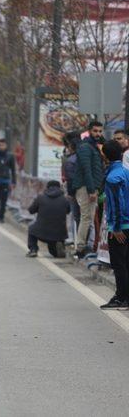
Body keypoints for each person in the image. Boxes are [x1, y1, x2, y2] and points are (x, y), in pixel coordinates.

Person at [100, 140, 129, 309]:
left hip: (120, 226)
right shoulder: (126, 172)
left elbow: (118, 204)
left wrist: (117, 227)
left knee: (119, 264)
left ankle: (121, 297)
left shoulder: (112, 177)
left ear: (104, 156)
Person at [72, 121, 104, 258]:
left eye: (100, 131)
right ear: (90, 131)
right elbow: (87, 170)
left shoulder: (93, 146)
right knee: (86, 217)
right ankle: (80, 248)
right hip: (86, 187)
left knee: (88, 218)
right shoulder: (86, 147)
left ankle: (82, 246)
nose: (98, 134)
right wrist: (91, 190)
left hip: (91, 186)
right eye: (95, 131)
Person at [25, 181, 71, 258]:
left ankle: (33, 249)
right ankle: (58, 249)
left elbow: (31, 210)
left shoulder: (41, 197)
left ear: (47, 187)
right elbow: (68, 211)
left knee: (31, 228)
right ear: (59, 188)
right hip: (59, 234)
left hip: (41, 232)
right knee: (53, 250)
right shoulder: (64, 200)